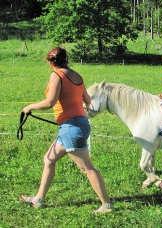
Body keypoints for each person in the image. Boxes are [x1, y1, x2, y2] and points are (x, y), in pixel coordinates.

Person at [19, 47, 112, 214]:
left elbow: (50, 102)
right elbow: (88, 100)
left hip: (71, 128)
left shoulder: (56, 75)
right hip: (77, 124)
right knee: (49, 159)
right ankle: (39, 199)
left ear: (51, 62)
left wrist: (29, 107)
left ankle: (106, 205)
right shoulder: (77, 75)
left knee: (87, 168)